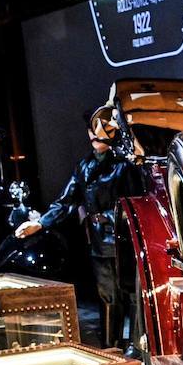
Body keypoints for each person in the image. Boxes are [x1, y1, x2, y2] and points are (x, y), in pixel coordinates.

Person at [14, 108, 142, 348]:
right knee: (107, 294)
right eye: (91, 131)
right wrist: (40, 223)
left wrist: (111, 218)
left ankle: (135, 344)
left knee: (132, 293)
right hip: (98, 241)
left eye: (101, 131)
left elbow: (136, 200)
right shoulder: (84, 166)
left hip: (124, 239)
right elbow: (66, 200)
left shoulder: (125, 165)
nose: (95, 137)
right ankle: (110, 344)